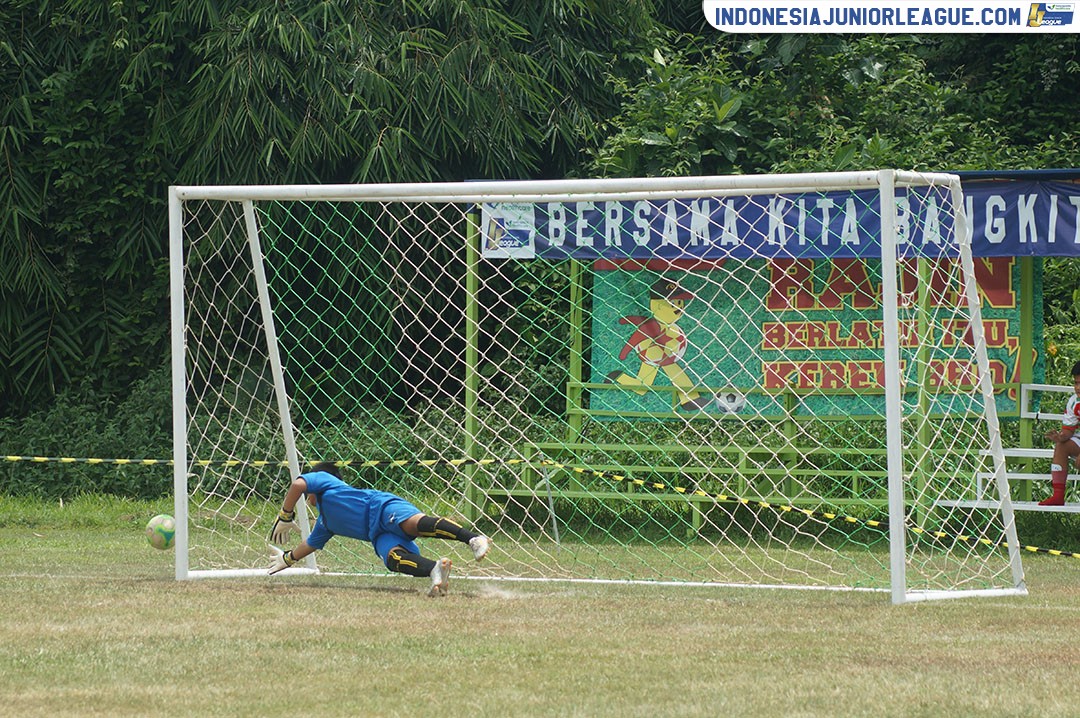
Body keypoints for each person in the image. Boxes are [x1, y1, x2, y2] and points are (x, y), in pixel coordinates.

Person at [267, 461, 491, 596]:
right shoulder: (325, 523)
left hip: (381, 507)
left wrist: (286, 515)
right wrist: (287, 559)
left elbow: (297, 484)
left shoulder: (327, 481)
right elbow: (310, 545)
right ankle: (435, 569)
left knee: (412, 525)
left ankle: (472, 539)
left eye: (308, 495)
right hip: (378, 534)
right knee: (393, 559)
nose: (307, 499)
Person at [1040, 360, 1080, 506]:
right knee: (1061, 446)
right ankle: (1057, 496)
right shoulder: (1074, 402)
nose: (1077, 388)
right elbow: (1069, 430)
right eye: (1076, 383)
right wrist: (1060, 436)